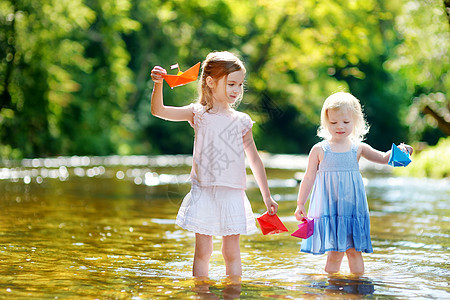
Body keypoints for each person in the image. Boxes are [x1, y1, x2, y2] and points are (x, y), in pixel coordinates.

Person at [150, 51, 278, 279]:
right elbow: (159, 111)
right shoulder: (198, 114)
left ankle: (232, 291)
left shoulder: (241, 121)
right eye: (231, 84)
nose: (236, 90)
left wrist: (267, 196)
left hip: (232, 193)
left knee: (231, 252)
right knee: (203, 250)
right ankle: (201, 291)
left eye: (240, 85)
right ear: (210, 82)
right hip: (204, 192)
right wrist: (158, 84)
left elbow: (255, 160)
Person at [294, 92, 413, 275]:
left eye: (346, 122)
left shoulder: (358, 148)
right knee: (333, 253)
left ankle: (357, 287)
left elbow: (383, 158)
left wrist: (402, 151)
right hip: (331, 210)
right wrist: (300, 203)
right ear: (326, 123)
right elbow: (309, 177)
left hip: (352, 210)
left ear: (356, 122)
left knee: (354, 252)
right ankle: (332, 290)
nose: (340, 127)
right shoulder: (319, 149)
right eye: (333, 123)